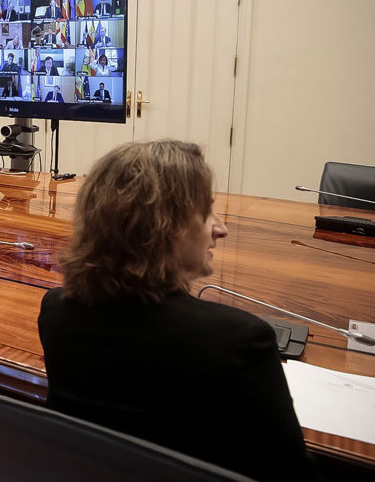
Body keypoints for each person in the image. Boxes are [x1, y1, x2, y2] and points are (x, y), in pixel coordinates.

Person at [38, 140, 318, 482]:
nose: (221, 229)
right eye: (206, 213)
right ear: (165, 226)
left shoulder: (56, 310)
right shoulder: (239, 340)